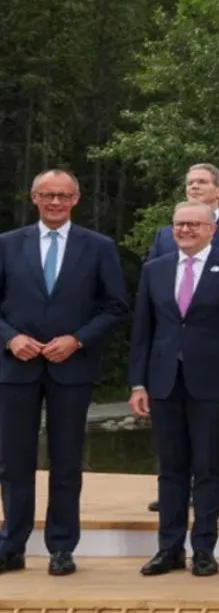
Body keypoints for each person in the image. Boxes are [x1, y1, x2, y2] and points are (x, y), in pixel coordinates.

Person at [0, 169, 129, 576]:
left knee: (67, 461)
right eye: (47, 195)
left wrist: (77, 339)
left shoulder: (99, 246)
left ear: (76, 199)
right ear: (33, 198)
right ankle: (11, 545)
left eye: (63, 195)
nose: (55, 202)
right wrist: (10, 338)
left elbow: (115, 306)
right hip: (15, 367)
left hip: (71, 368)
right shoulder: (6, 244)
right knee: (13, 462)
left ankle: (61, 547)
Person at [128, 201, 219, 577]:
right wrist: (138, 382)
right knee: (170, 469)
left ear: (211, 230)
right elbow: (143, 331)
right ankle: (169, 549)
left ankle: (203, 548)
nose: (184, 230)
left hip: (214, 385)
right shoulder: (155, 269)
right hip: (164, 382)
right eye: (178, 224)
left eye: (193, 224)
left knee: (208, 468)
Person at [146, 163, 219, 514]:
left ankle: (216, 488)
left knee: (217, 436)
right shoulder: (166, 234)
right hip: (170, 356)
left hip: (215, 354)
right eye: (189, 182)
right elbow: (155, 294)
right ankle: (175, 492)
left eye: (201, 182)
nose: (193, 187)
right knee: (172, 440)